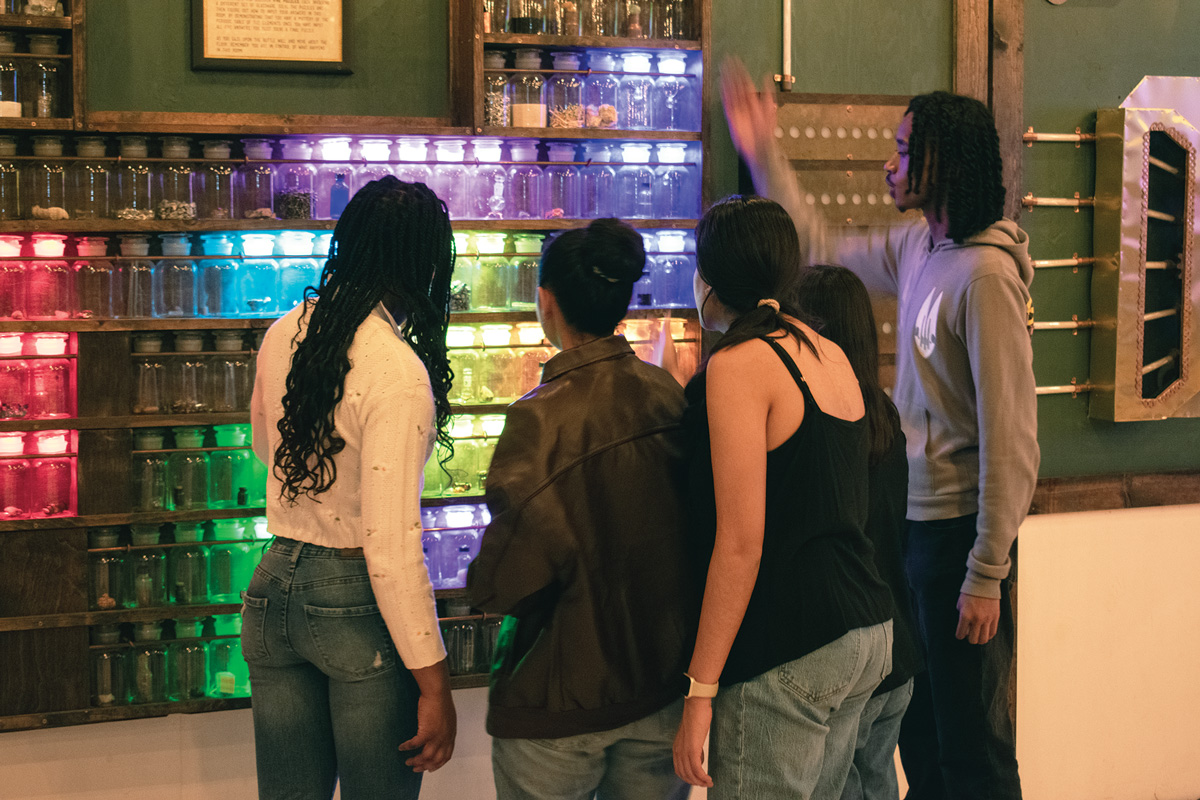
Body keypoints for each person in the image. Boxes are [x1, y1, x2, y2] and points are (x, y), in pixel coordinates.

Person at [722, 59, 1037, 800]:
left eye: (902, 151)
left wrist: (986, 574)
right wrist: (764, 150)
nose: (888, 164)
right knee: (921, 741)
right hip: (909, 534)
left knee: (973, 749)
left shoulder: (986, 277)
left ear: (940, 163)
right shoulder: (922, 249)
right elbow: (820, 242)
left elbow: (1013, 440)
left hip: (960, 542)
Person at [672, 195, 895, 800]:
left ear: (712, 280)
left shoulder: (741, 364)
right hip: (865, 631)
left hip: (793, 641)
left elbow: (741, 543)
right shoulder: (829, 353)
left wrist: (700, 690)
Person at [467, 218, 697, 800]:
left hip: (557, 698)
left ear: (547, 301)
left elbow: (507, 583)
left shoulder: (538, 418)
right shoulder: (668, 394)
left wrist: (481, 580)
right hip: (660, 684)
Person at [245, 177, 457, 799]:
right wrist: (435, 685)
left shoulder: (285, 331)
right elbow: (389, 547)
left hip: (273, 580)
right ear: (422, 266)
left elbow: (267, 450)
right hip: (352, 598)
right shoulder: (396, 369)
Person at [793, 265, 922, 800]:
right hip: (898, 648)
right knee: (877, 784)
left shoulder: (825, 426)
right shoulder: (884, 415)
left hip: (850, 655)